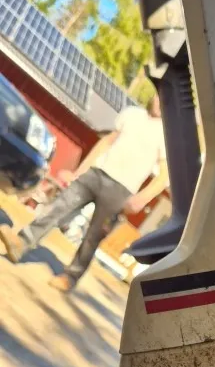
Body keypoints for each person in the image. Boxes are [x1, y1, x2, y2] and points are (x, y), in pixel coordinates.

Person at [0, 94, 167, 292]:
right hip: (95, 174)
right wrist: (80, 171)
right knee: (59, 206)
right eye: (159, 95)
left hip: (120, 192)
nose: (160, 100)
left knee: (93, 237)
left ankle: (70, 277)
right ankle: (22, 242)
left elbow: (164, 176)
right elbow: (106, 142)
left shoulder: (166, 136)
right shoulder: (131, 114)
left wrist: (142, 199)